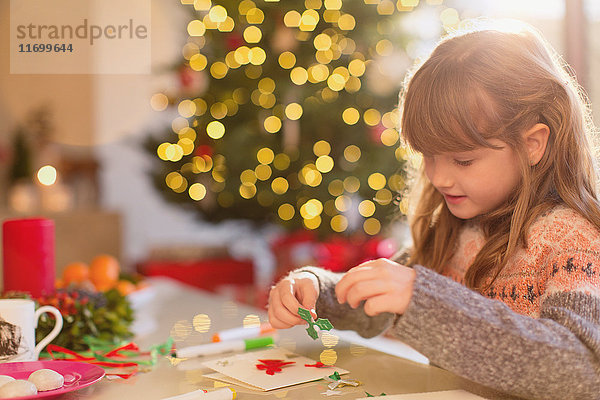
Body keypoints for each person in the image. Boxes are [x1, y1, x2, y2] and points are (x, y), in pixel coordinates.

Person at [267, 19, 600, 400]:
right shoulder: (462, 224)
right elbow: (377, 302)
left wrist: (425, 300)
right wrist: (317, 289)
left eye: (462, 160)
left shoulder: (574, 241)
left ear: (532, 144)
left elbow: (583, 371)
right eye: (429, 156)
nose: (439, 178)